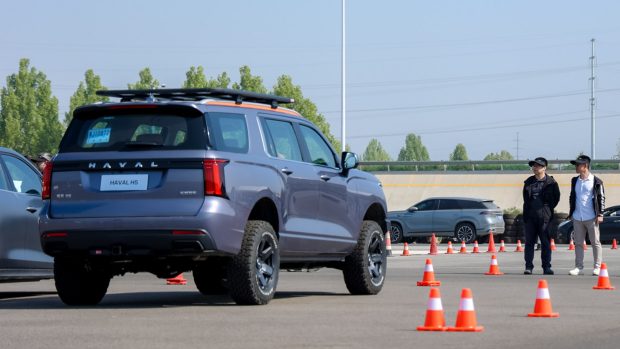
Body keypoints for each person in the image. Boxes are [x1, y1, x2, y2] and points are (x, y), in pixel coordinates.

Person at [522, 157, 560, 275]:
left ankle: (546, 267)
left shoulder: (551, 183)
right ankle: (528, 267)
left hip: (545, 218)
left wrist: (547, 209)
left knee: (545, 243)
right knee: (529, 243)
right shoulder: (528, 182)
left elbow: (556, 198)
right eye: (534, 166)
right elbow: (526, 198)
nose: (535, 168)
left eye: (538, 166)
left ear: (544, 168)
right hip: (530, 217)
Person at [567, 155, 605, 276]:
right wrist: (571, 212)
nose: (576, 167)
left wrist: (600, 214)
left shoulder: (596, 181)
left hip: (592, 217)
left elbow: (601, 198)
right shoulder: (574, 180)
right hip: (578, 217)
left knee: (595, 242)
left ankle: (597, 267)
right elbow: (572, 197)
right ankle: (579, 267)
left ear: (585, 166)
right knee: (578, 243)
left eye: (578, 165)